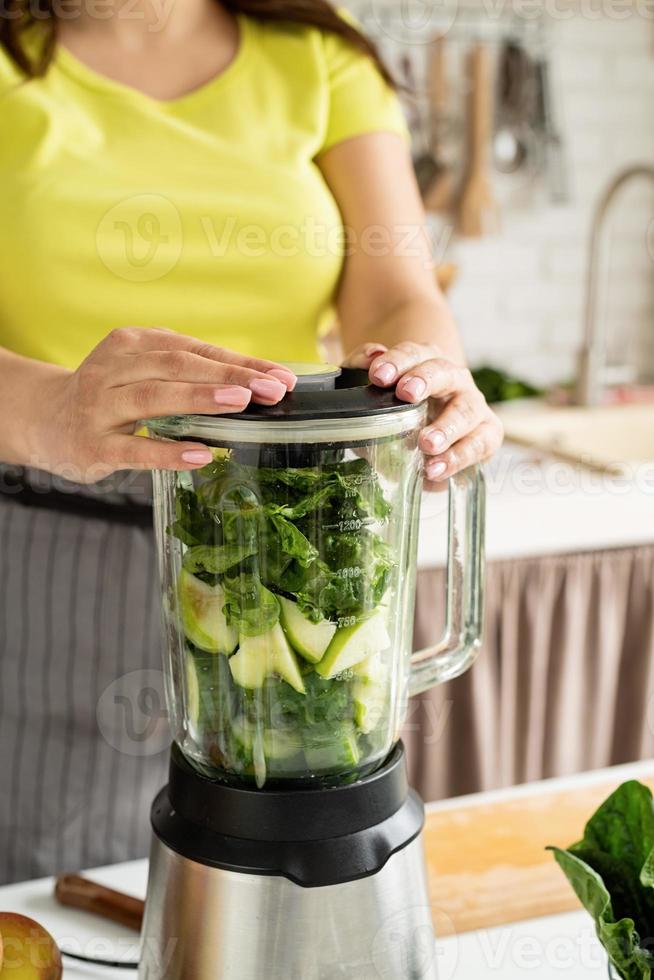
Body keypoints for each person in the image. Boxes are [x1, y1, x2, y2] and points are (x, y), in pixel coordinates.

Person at [0, 0, 502, 884]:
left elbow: (395, 294)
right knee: (61, 901)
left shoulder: (320, 54)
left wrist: (427, 373)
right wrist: (50, 410)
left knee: (295, 880)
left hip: (302, 554)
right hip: (46, 555)